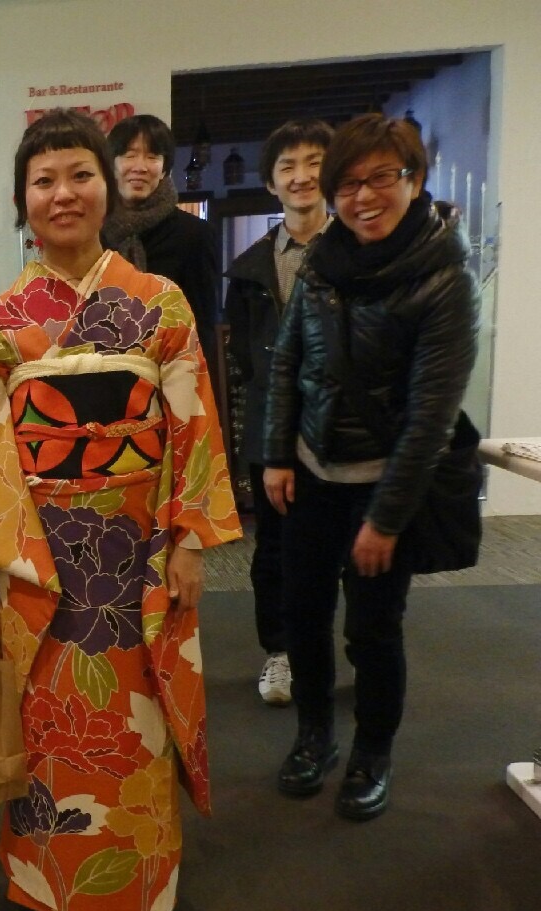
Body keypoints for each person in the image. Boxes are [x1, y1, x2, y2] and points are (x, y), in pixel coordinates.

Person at [0, 109, 241, 911]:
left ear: (109, 189)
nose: (62, 193)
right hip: (37, 556)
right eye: (43, 180)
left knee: (137, 721)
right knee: (47, 720)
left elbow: (194, 426)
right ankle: (58, 885)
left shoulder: (159, 303)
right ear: (22, 200)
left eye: (80, 175)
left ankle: (131, 884)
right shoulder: (2, 317)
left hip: (138, 550)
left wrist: (188, 541)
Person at [263, 114, 478, 821]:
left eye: (382, 177)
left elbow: (431, 417)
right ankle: (315, 736)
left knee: (373, 630)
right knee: (302, 615)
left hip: (384, 485)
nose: (363, 196)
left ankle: (371, 752)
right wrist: (276, 454)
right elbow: (288, 362)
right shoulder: (323, 262)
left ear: (414, 181)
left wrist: (385, 519)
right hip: (309, 475)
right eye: (349, 184)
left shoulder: (444, 277)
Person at [223, 118, 334, 705]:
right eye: (288, 166)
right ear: (270, 182)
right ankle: (281, 652)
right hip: (275, 432)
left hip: (344, 433)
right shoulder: (250, 269)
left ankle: (338, 651)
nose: (301, 176)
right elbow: (244, 357)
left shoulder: (360, 252)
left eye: (314, 162)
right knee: (275, 550)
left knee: (343, 550)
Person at [100, 114, 221, 380]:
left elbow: (202, 328)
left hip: (172, 377)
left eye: (152, 156)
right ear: (111, 164)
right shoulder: (94, 234)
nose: (140, 167)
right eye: (130, 155)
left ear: (165, 168)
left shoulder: (195, 235)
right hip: (104, 376)